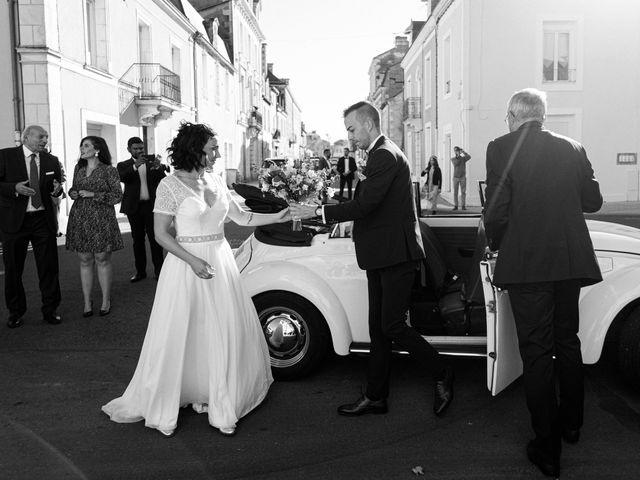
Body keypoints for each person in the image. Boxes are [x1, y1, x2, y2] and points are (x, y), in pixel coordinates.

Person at [102, 122, 290, 438]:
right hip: (186, 264)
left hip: (219, 261)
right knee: (183, 329)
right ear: (195, 151)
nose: (217, 154)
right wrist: (192, 260)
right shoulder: (169, 186)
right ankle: (177, 392)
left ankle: (220, 397)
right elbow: (161, 234)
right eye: (212, 149)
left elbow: (241, 218)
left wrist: (279, 215)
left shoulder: (216, 180)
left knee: (220, 327)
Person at [291, 101, 453, 417]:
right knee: (377, 328)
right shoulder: (379, 154)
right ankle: (376, 396)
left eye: (351, 129)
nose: (350, 137)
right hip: (381, 253)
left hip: (395, 255)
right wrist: (323, 199)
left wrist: (318, 212)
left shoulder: (385, 155)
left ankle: (442, 371)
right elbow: (366, 202)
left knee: (391, 325)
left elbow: (364, 207)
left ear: (368, 124)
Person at [484, 88, 603, 478]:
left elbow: (497, 210)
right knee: (567, 341)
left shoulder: (501, 147)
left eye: (507, 118)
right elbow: (593, 201)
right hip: (569, 261)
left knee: (536, 353)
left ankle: (547, 450)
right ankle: (572, 425)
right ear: (542, 116)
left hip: (528, 265)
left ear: (514, 116)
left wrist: (499, 244)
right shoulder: (574, 147)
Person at [0, 125, 64, 327]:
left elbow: (56, 189)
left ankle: (50, 309)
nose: (45, 140)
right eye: (41, 137)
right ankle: (15, 312)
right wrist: (14, 188)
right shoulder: (6, 156)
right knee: (13, 269)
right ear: (26, 137)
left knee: (48, 268)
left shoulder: (51, 160)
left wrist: (57, 191)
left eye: (46, 137)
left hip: (42, 220)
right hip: (14, 222)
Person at [66, 136, 123, 317]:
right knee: (84, 260)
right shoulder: (79, 168)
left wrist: (93, 194)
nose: (82, 148)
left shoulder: (109, 170)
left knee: (102, 258)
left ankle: (106, 300)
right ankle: (87, 301)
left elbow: (117, 196)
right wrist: (73, 193)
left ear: (97, 149)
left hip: (101, 218)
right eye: (81, 145)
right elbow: (73, 188)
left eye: (86, 145)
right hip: (80, 217)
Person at [117, 137, 169, 282]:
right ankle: (140, 272)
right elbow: (122, 177)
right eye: (136, 149)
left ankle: (159, 272)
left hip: (151, 206)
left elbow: (163, 179)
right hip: (134, 207)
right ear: (129, 150)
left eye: (141, 148)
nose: (139, 151)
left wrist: (159, 167)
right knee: (137, 239)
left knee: (155, 238)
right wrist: (135, 166)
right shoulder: (123, 165)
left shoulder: (151, 162)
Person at [450, 146, 471, 210]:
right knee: (455, 192)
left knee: (463, 192)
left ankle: (463, 206)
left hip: (463, 177)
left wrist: (463, 152)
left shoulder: (463, 158)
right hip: (455, 177)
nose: (456, 151)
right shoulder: (453, 159)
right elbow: (456, 163)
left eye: (457, 150)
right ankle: (456, 205)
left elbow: (469, 157)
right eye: (455, 151)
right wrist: (458, 156)